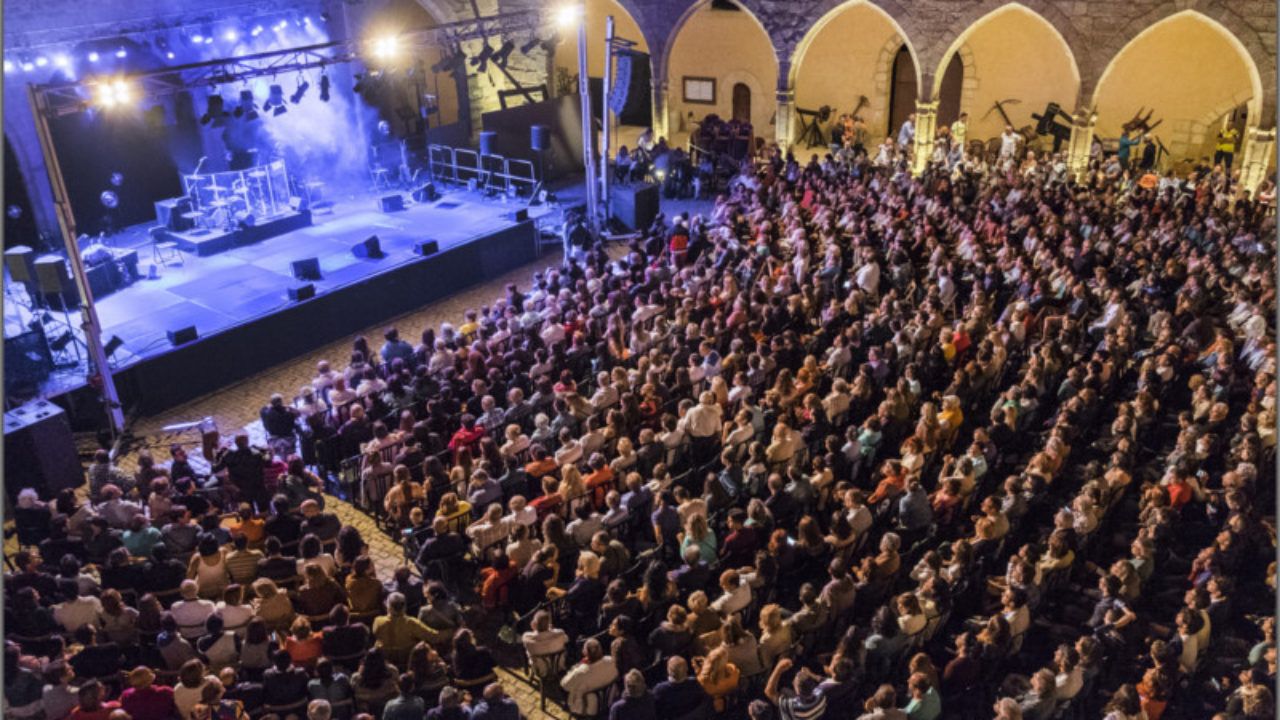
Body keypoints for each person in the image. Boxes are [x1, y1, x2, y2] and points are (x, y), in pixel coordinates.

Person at [561, 639, 617, 717]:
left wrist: (575, 668)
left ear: (585, 653)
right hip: (608, 701)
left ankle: (567, 706)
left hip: (587, 707)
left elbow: (564, 685)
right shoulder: (611, 661)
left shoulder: (581, 673)